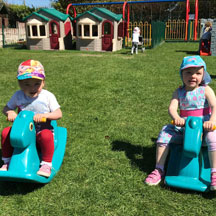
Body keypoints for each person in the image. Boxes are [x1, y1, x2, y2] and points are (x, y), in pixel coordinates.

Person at [145, 56, 216, 190]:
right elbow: (172, 107)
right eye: (188, 72)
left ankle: (214, 172)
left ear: (203, 75)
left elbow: (214, 106)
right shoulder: (179, 92)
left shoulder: (206, 90)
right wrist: (177, 117)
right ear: (181, 74)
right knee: (165, 133)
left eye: (198, 73)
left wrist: (212, 121)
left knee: (213, 137)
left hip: (204, 127)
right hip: (184, 128)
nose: (193, 76)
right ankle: (159, 169)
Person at [0, 59, 62, 178]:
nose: (32, 88)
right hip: (23, 131)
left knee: (46, 135)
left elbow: (58, 113)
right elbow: (6, 108)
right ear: (19, 83)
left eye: (36, 84)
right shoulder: (18, 96)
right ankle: (7, 162)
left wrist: (45, 115)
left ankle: (46, 164)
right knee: (6, 132)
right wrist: (10, 112)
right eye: (26, 84)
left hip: (41, 130)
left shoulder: (47, 96)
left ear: (43, 82)